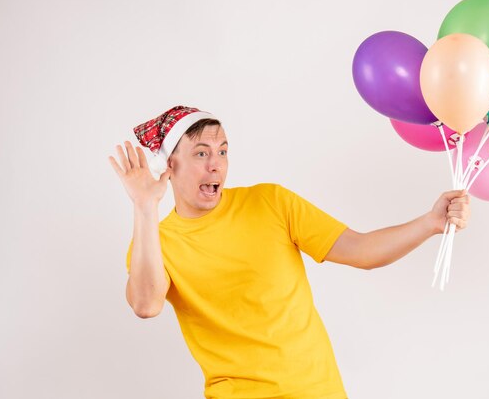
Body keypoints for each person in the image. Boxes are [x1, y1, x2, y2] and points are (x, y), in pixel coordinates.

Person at [109, 106, 470, 399]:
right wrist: (145, 207)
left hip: (318, 392)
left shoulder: (271, 201)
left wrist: (430, 222)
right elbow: (145, 305)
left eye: (222, 151)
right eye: (201, 153)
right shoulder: (156, 242)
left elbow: (360, 250)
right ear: (168, 167)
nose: (215, 164)